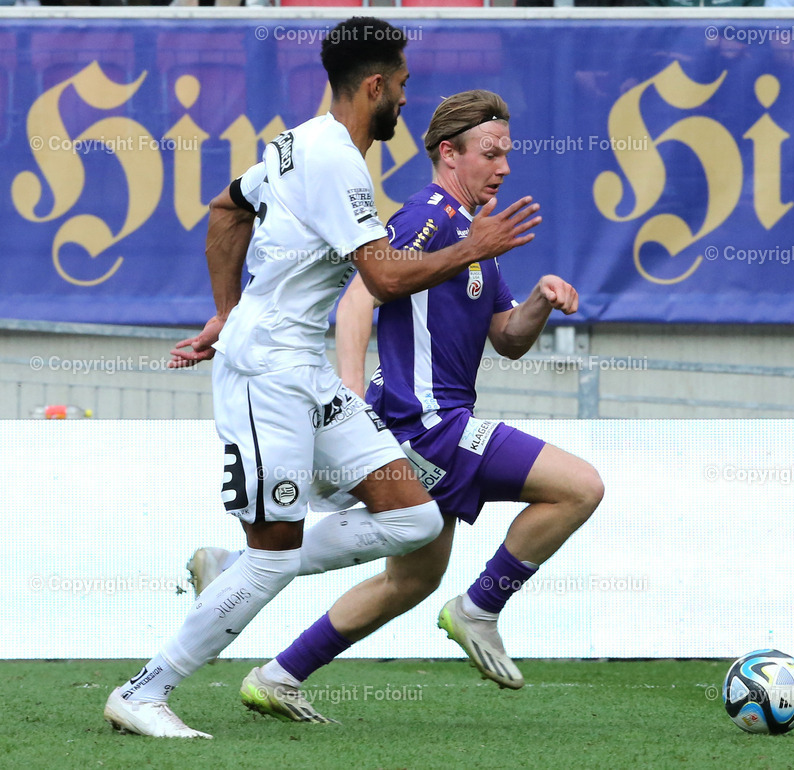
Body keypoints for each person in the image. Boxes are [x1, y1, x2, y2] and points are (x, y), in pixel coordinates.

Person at [103, 20, 541, 739]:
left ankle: (227, 566)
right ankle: (144, 691)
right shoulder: (337, 161)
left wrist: (227, 313)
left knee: (414, 519)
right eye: (402, 84)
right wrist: (474, 245)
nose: (406, 98)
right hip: (268, 374)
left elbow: (227, 209)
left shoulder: (298, 142)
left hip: (302, 367)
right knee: (273, 559)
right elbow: (383, 278)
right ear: (376, 86)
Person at [188, 89, 604, 722]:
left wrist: (541, 301)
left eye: (507, 154)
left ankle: (276, 671)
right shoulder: (426, 218)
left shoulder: (474, 233)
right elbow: (359, 297)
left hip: (435, 422)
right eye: (491, 154)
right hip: (429, 424)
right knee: (579, 487)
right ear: (449, 153)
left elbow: (507, 338)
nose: (504, 167)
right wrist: (351, 393)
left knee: (411, 579)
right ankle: (480, 608)